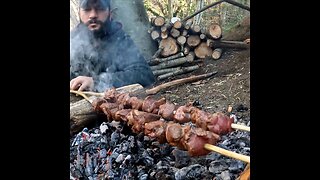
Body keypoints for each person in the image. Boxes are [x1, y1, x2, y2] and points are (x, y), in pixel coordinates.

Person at [70, 0, 155, 92]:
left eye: (100, 8)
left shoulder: (119, 39)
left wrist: (97, 82)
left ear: (110, 13)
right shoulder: (73, 39)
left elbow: (144, 75)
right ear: (79, 12)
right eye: (87, 9)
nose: (93, 15)